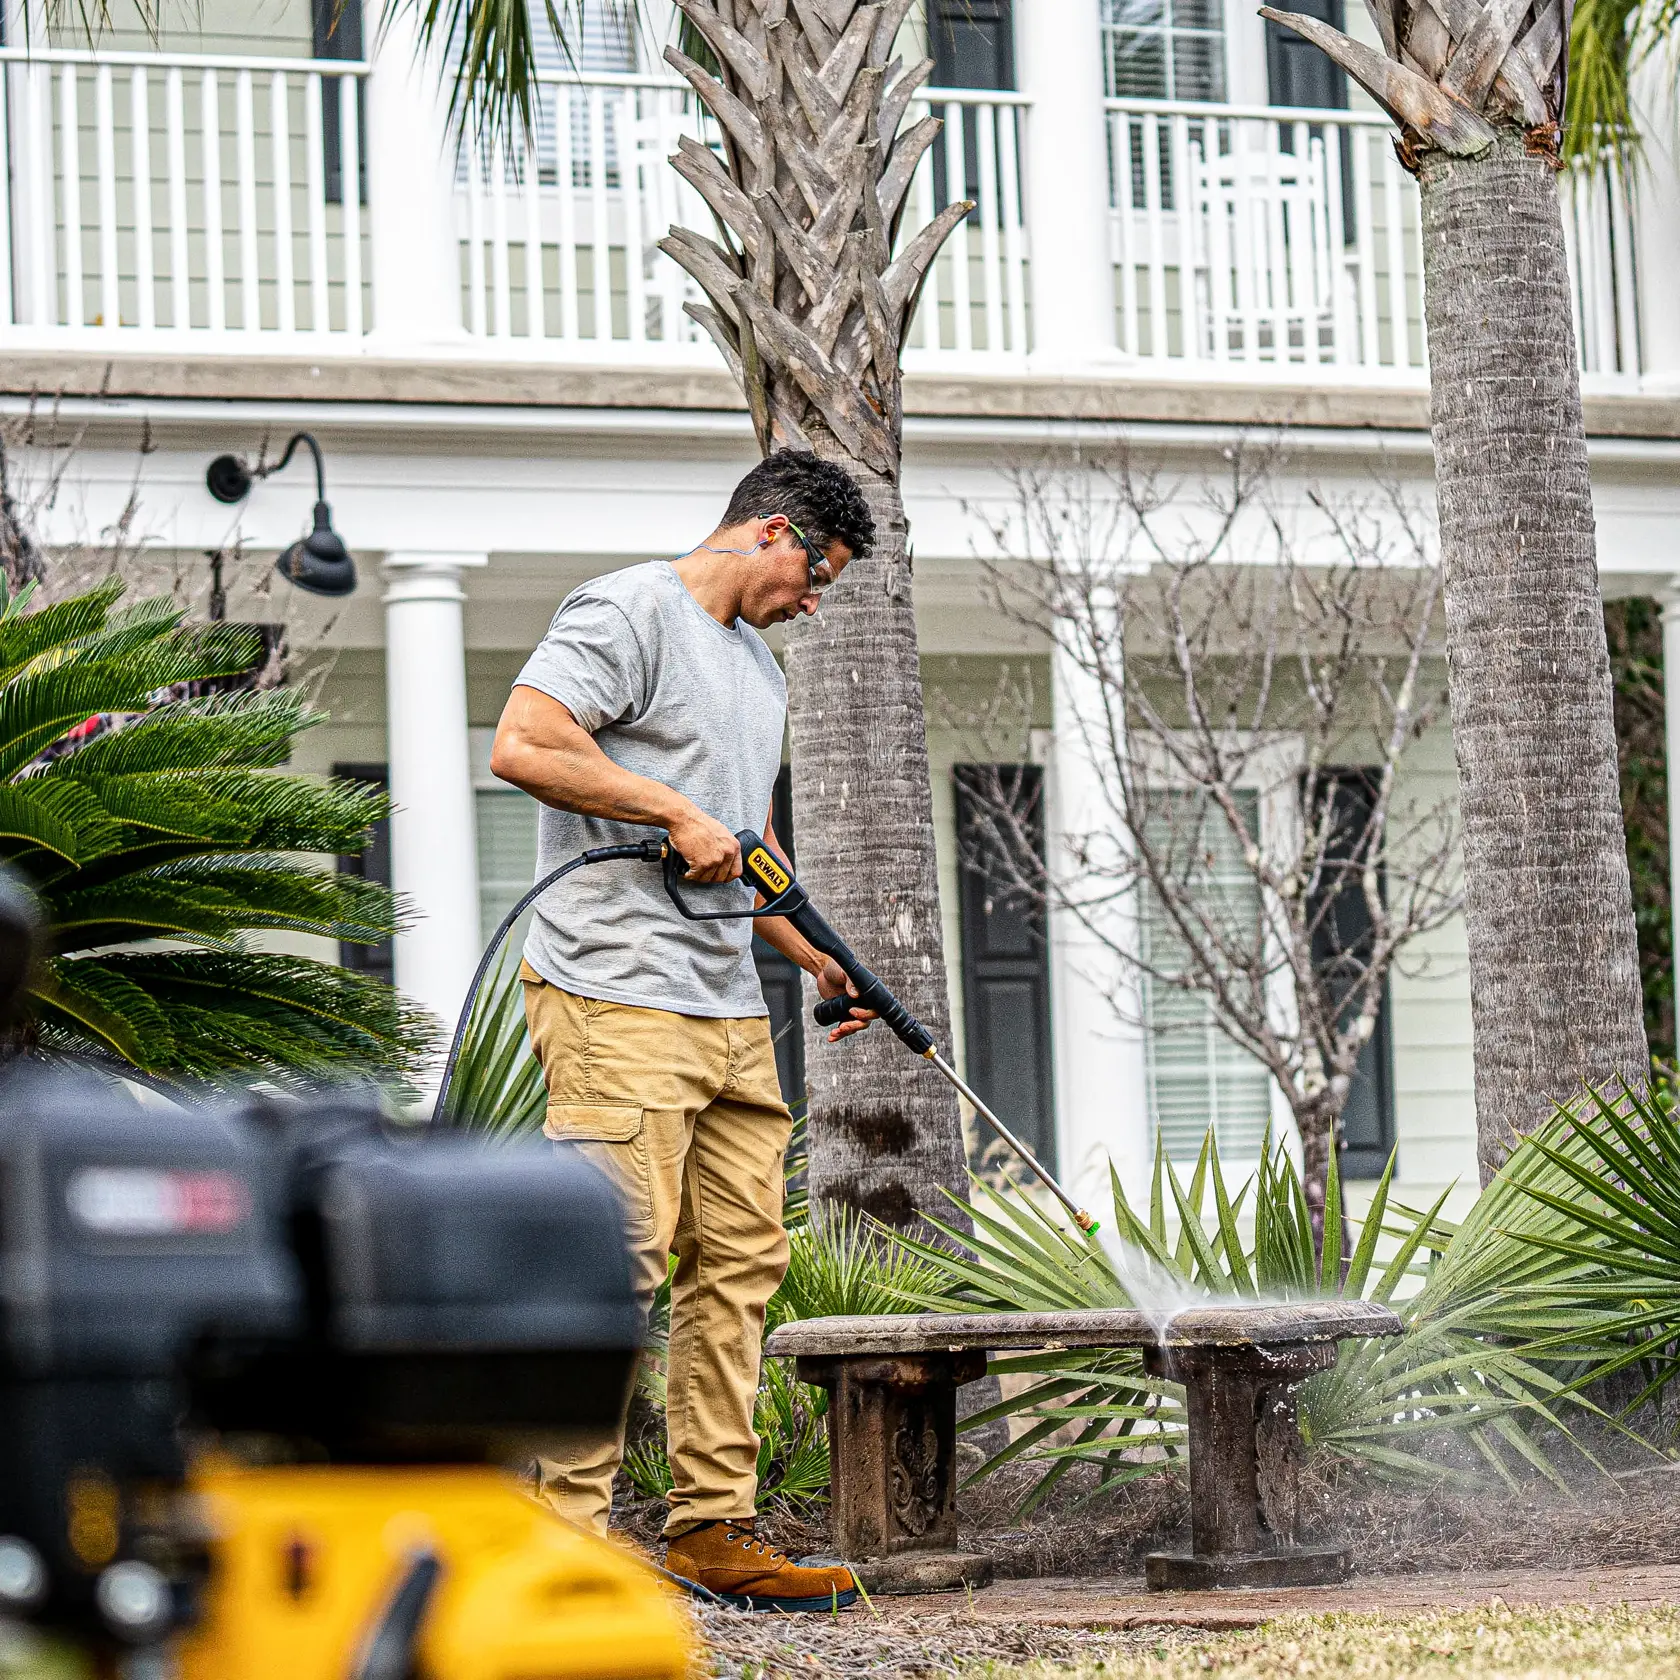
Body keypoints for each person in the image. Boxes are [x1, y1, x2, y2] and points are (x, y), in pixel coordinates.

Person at [489, 449, 875, 1612]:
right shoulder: (628, 609)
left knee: (742, 1270)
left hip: (724, 1005)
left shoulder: (761, 674)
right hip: (613, 990)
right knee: (619, 1264)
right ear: (769, 530)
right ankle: (566, 1539)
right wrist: (666, 806)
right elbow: (523, 743)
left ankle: (713, 1527)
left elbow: (742, 851)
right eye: (818, 573)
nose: (815, 602)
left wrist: (819, 958)